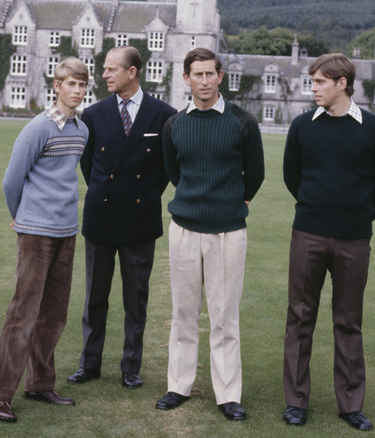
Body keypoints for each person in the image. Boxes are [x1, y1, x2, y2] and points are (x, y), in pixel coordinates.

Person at [281, 53, 375, 431]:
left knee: (348, 322)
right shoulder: (301, 126)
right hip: (308, 234)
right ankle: (296, 401)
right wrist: (317, 209)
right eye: (311, 82)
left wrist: (358, 216)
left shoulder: (374, 128)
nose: (312, 89)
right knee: (300, 318)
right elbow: (292, 176)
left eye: (319, 83)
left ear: (341, 83)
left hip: (354, 240)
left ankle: (350, 404)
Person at [156, 48, 265, 421]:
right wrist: (196, 200)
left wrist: (233, 200)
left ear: (220, 77)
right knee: (184, 313)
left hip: (227, 232)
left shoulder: (242, 122)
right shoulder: (174, 124)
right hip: (184, 229)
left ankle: (228, 394)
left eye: (209, 74)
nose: (203, 81)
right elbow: (174, 171)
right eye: (196, 74)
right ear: (186, 78)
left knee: (223, 316)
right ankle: (178, 385)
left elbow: (256, 175)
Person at [0, 58, 89, 423]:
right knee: (23, 312)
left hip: (66, 231)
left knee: (54, 314)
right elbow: (12, 180)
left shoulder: (81, 130)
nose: (76, 91)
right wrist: (21, 217)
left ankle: (40, 384)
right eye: (70, 84)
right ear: (56, 86)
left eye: (81, 85)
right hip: (36, 233)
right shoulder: (37, 129)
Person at [67, 46, 177, 389]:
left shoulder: (164, 114)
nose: (103, 75)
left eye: (111, 69)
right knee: (94, 297)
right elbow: (89, 166)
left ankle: (131, 366)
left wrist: (141, 198)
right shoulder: (94, 114)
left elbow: (165, 170)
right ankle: (90, 364)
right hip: (102, 214)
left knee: (136, 299)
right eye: (104, 69)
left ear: (132, 73)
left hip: (141, 217)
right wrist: (105, 192)